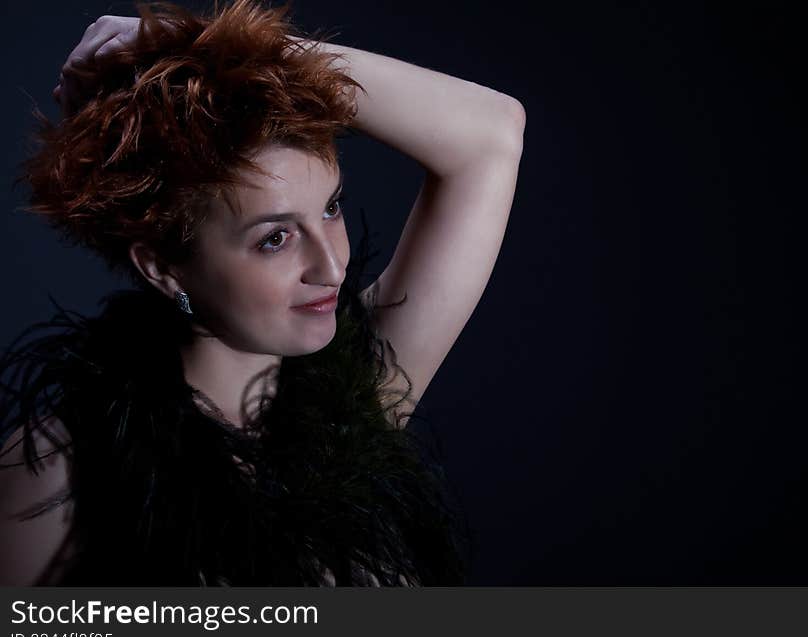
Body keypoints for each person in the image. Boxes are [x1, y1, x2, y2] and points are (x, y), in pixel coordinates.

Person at [0, 0, 524, 585]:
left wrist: (230, 48)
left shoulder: (359, 397)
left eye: (330, 209)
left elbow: (491, 131)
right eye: (275, 238)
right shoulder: (60, 473)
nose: (330, 266)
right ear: (162, 268)